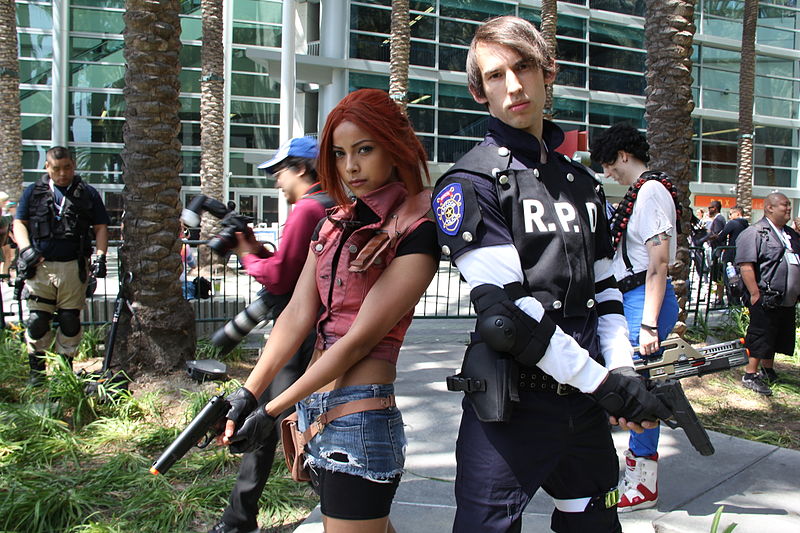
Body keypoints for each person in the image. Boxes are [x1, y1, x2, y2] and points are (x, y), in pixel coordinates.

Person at [431, 16, 668, 533]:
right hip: (510, 408)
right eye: (495, 76)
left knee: (594, 526)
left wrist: (623, 369)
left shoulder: (583, 185)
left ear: (547, 72)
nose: (513, 86)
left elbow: (605, 288)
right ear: (479, 91)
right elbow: (508, 315)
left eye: (523, 67)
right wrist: (604, 382)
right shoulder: (469, 183)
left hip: (583, 407)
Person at [218, 89, 438, 533]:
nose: (350, 166)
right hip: (316, 413)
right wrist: (250, 391)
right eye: (339, 154)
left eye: (364, 150)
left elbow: (359, 340)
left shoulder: (419, 230)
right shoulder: (333, 222)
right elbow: (296, 315)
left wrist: (275, 406)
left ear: (394, 149)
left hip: (359, 417)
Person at [209, 136, 335, 533]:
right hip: (320, 330)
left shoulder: (307, 209)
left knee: (267, 422)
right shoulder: (332, 205)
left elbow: (281, 279)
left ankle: (239, 521)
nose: (277, 182)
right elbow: (297, 271)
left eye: (280, 172)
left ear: (301, 169)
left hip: (296, 334)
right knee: (305, 419)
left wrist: (247, 252)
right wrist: (260, 251)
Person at [590, 123, 681, 512]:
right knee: (635, 386)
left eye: (609, 164)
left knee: (641, 390)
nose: (608, 172)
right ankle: (636, 477)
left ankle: (643, 485)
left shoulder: (651, 192)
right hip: (636, 298)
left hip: (644, 300)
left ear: (623, 156)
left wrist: (647, 324)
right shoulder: (642, 193)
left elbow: (658, 265)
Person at [13, 146, 110, 385]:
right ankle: (36, 374)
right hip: (40, 267)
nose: (62, 173)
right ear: (47, 167)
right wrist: (26, 250)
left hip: (72, 267)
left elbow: (100, 227)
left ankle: (65, 372)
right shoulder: (33, 192)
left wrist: (99, 256)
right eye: (56, 168)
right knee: (37, 321)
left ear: (73, 165)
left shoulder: (87, 193)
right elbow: (19, 223)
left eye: (67, 167)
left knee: (69, 319)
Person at [736, 192, 800, 396]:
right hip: (765, 295)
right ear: (769, 208)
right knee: (761, 333)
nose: (788, 208)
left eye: (789, 205)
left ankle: (767, 369)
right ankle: (750, 373)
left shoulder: (790, 234)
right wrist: (754, 292)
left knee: (777, 333)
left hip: (786, 298)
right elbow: (746, 264)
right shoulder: (755, 232)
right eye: (784, 205)